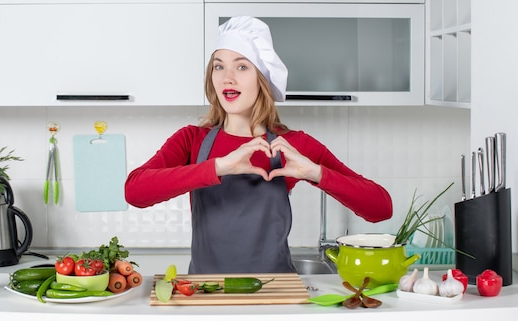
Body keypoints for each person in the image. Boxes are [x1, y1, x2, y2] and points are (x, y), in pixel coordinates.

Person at [124, 16, 393, 274]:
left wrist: (315, 173)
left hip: (276, 295)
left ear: (262, 79)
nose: (227, 77)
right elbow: (135, 191)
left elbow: (381, 208)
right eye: (219, 66)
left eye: (241, 66)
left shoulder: (293, 145)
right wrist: (218, 167)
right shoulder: (191, 140)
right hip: (207, 293)